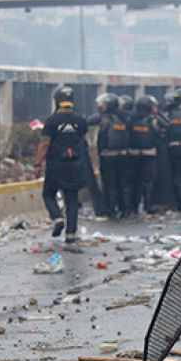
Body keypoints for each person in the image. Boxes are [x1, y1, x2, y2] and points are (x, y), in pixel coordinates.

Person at [34, 86, 88, 244]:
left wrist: (37, 164)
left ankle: (57, 217)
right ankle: (71, 234)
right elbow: (83, 141)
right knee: (71, 198)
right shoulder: (80, 120)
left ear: (57, 102)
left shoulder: (52, 121)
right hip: (75, 165)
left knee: (48, 194)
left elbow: (45, 144)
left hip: (56, 166)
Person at [91, 93, 131, 219]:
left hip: (107, 156)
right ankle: (126, 210)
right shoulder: (126, 117)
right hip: (124, 156)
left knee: (110, 184)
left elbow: (86, 122)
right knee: (124, 184)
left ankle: (111, 210)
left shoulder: (102, 118)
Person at [127, 96, 165, 215]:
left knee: (134, 181)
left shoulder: (130, 118)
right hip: (149, 153)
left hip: (133, 153)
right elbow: (166, 125)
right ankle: (147, 206)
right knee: (148, 181)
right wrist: (158, 114)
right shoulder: (153, 119)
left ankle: (133, 207)